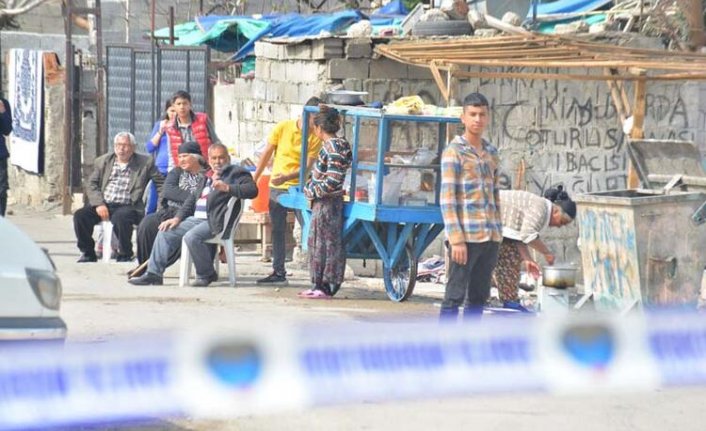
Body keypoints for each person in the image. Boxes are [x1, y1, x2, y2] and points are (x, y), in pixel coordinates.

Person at [129, 143, 258, 286]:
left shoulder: (236, 173)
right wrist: (177, 219)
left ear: (227, 158)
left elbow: (252, 190)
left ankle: (206, 274)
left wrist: (227, 187)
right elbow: (191, 201)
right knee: (165, 230)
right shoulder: (206, 177)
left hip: (215, 220)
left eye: (221, 158)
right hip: (195, 219)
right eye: (214, 158)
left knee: (192, 236)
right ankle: (154, 274)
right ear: (209, 160)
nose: (217, 162)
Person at [439, 92, 502, 321]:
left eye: (482, 115)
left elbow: (495, 195)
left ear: (488, 118)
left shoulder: (491, 153)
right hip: (465, 239)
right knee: (454, 296)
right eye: (473, 114)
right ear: (463, 118)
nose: (477, 119)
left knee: (479, 297)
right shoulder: (454, 152)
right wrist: (456, 239)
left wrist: (497, 234)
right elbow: (447, 198)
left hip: (489, 237)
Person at [253, 96, 323, 286]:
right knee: (277, 228)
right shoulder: (283, 127)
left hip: (301, 187)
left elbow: (307, 167)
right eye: (314, 119)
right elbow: (267, 152)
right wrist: (256, 177)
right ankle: (278, 271)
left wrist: (286, 177)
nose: (316, 124)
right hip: (277, 187)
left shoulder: (316, 137)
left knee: (310, 228)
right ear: (305, 114)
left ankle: (318, 273)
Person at [73, 132, 163, 263]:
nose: (122, 149)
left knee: (121, 217)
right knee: (80, 216)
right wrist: (99, 204)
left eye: (126, 145)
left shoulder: (145, 162)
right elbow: (91, 184)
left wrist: (162, 204)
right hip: (105, 203)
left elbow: (160, 183)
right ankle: (88, 252)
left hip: (129, 205)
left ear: (133, 147)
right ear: (114, 146)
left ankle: (125, 253)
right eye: (119, 145)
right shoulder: (103, 161)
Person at [298, 106, 352, 299]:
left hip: (327, 203)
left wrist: (311, 191)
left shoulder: (334, 147)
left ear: (320, 128)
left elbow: (333, 180)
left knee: (325, 244)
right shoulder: (340, 144)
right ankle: (319, 284)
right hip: (325, 202)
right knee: (318, 242)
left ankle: (325, 285)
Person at [493, 187, 576, 310]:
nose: (559, 226)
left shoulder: (542, 209)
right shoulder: (540, 208)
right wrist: (547, 253)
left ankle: (509, 300)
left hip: (498, 228)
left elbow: (517, 237)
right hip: (485, 217)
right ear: (556, 212)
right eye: (562, 222)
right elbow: (527, 235)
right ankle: (503, 300)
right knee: (506, 256)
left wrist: (528, 259)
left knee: (512, 253)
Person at [132, 141, 206, 274]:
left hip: (191, 214)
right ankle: (144, 265)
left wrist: (191, 199)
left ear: (196, 157)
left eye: (185, 156)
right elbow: (168, 191)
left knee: (173, 231)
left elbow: (205, 196)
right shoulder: (176, 172)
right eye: (180, 156)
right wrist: (195, 196)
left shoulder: (206, 175)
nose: (181, 160)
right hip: (169, 211)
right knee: (147, 224)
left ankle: (156, 266)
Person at [165, 90, 220, 168]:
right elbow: (171, 152)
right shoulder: (170, 127)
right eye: (178, 104)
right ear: (174, 106)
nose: (182, 107)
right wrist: (172, 171)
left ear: (190, 104)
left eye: (185, 103)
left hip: (205, 166)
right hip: (183, 167)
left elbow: (215, 141)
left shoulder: (203, 119)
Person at [145, 99, 178, 214]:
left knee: (172, 203)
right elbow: (149, 148)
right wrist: (160, 131)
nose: (174, 114)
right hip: (161, 170)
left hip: (177, 170)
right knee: (153, 203)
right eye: (171, 110)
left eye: (176, 110)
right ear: (167, 111)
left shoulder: (184, 127)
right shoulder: (160, 125)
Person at [0, 97, 12, 217]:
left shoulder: (2, 103)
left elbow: (7, 130)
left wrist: (3, 112)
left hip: (0, 155)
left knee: (1, 190)